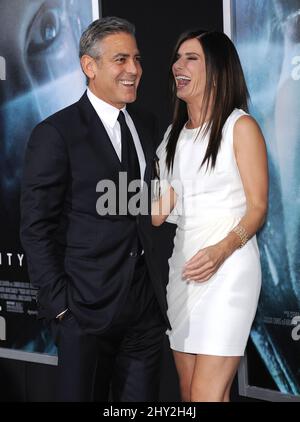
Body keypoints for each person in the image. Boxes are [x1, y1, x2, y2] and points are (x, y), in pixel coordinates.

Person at [20, 16, 168, 402]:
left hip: (143, 312)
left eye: (136, 59)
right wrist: (62, 310)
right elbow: (36, 228)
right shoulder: (56, 134)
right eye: (121, 60)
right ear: (90, 66)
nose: (134, 69)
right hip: (84, 313)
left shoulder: (146, 124)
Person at [152, 29, 268, 402]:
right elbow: (155, 214)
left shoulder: (241, 126)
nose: (177, 66)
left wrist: (220, 251)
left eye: (191, 58)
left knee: (206, 393)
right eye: (177, 57)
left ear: (217, 69)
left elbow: (258, 209)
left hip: (228, 270)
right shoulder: (172, 138)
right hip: (182, 274)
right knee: (189, 393)